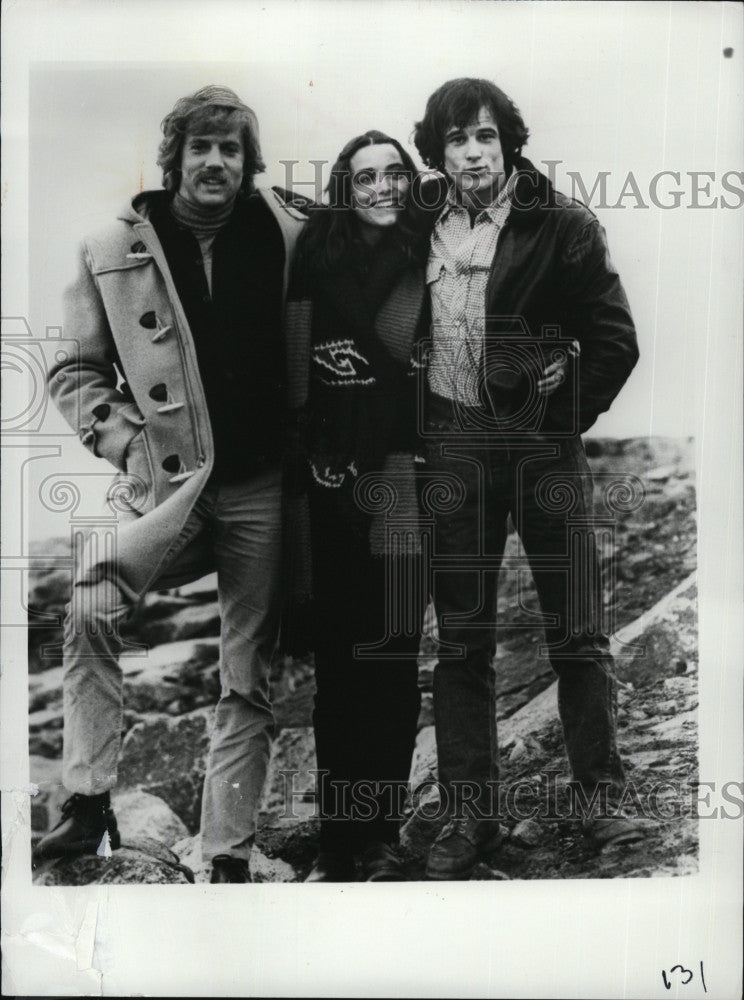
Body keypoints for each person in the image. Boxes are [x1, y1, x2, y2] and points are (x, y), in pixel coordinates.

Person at [35, 85, 308, 883]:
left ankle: (226, 851)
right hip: (173, 490)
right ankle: (86, 805)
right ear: (176, 157)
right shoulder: (109, 248)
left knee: (247, 672)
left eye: (231, 149)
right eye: (202, 148)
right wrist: (125, 445)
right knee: (90, 604)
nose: (216, 162)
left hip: (264, 486)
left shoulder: (292, 232)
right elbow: (74, 372)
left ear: (248, 163)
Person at [412, 78, 643, 880]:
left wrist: (562, 409)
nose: (472, 153)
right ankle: (471, 818)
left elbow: (614, 339)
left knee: (577, 634)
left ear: (507, 139)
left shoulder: (564, 224)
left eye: (483, 135)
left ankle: (601, 802)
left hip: (543, 449)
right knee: (462, 645)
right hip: (454, 449)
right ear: (436, 154)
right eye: (454, 140)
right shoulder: (419, 227)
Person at [286, 130, 429, 881]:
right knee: (339, 665)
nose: (382, 188)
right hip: (327, 489)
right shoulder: (312, 254)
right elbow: (291, 367)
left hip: (404, 484)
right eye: (366, 176)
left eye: (394, 174)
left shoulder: (429, 253)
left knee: (395, 660)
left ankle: (379, 832)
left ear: (412, 181)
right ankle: (339, 837)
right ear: (346, 185)